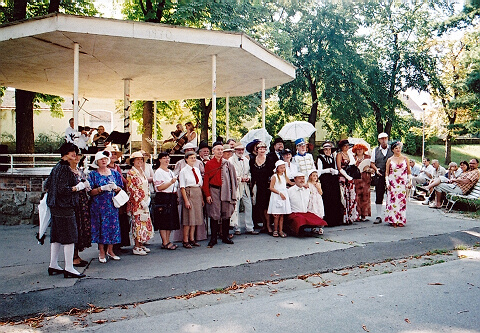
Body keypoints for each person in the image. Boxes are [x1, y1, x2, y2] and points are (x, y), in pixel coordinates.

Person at [45, 143, 86, 278]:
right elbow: (63, 190)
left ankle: (53, 264)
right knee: (70, 236)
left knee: (56, 235)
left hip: (55, 205)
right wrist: (78, 187)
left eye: (75, 151)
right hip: (64, 205)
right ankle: (69, 267)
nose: (74, 154)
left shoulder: (56, 167)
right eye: (71, 152)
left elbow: (47, 185)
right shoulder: (65, 169)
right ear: (65, 153)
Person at [88, 151, 123, 263]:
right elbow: (90, 192)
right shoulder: (93, 174)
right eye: (100, 159)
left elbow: (121, 187)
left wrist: (116, 188)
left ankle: (111, 250)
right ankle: (102, 251)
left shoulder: (114, 173)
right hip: (98, 206)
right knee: (101, 228)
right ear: (97, 161)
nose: (103, 161)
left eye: (105, 159)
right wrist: (101, 189)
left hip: (112, 205)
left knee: (113, 227)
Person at [203, 142, 238, 248]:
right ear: (213, 151)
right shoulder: (209, 164)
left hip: (226, 190)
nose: (220, 152)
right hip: (214, 190)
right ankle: (213, 238)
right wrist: (207, 195)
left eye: (221, 150)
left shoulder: (227, 164)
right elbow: (206, 181)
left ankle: (225, 236)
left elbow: (233, 179)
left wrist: (233, 193)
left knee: (226, 213)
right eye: (218, 150)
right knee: (214, 214)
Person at [126, 151, 155, 256]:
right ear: (133, 161)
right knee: (137, 224)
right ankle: (136, 246)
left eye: (141, 159)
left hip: (145, 201)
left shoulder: (142, 171)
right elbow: (132, 189)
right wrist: (141, 201)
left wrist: (148, 198)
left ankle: (141, 244)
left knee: (144, 223)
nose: (139, 161)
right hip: (137, 203)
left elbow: (146, 185)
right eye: (137, 159)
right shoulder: (131, 173)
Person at [104, 145, 130, 251]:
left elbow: (123, 181)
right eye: (112, 154)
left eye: (115, 154)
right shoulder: (105, 169)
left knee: (121, 220)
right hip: (110, 198)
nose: (114, 156)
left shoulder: (117, 167)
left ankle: (118, 244)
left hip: (120, 197)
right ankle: (109, 246)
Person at [229, 143, 258, 235]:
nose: (241, 151)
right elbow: (231, 174)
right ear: (235, 150)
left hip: (245, 185)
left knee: (248, 206)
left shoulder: (246, 159)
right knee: (236, 207)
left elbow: (249, 172)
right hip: (237, 186)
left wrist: (248, 178)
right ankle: (236, 227)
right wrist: (239, 178)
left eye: (242, 149)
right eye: (239, 150)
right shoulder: (231, 160)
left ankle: (249, 227)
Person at [286, 172, 327, 236]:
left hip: (305, 212)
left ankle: (312, 228)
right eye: (300, 178)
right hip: (294, 213)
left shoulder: (307, 189)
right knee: (300, 219)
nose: (302, 180)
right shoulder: (289, 191)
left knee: (316, 218)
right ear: (295, 179)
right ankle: (297, 230)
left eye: (303, 178)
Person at [153, 153, 180, 250]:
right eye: (164, 158)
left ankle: (168, 240)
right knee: (163, 220)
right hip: (163, 197)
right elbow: (159, 187)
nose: (166, 160)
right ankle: (164, 241)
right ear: (160, 160)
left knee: (170, 220)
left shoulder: (170, 172)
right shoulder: (159, 172)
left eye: (168, 158)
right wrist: (171, 182)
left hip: (171, 196)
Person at [69, 152, 91, 267]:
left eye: (78, 155)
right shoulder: (67, 171)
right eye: (75, 155)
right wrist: (78, 187)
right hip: (74, 202)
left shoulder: (80, 170)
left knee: (81, 227)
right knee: (75, 227)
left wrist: (86, 185)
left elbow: (86, 184)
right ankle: (73, 257)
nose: (77, 157)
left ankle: (76, 255)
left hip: (82, 201)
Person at [179, 151, 204, 248]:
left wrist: (201, 198)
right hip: (189, 193)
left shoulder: (197, 169)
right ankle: (185, 240)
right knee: (188, 218)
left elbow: (200, 184)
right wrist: (186, 200)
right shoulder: (183, 171)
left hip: (197, 192)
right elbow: (182, 187)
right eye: (191, 158)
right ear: (186, 159)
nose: (193, 159)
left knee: (195, 218)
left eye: (194, 157)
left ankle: (192, 238)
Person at [384, 141, 412, 227]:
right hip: (393, 182)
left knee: (401, 201)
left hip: (402, 182)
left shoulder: (405, 159)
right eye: (396, 148)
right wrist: (387, 183)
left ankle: (400, 219)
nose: (398, 150)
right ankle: (392, 219)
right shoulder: (390, 160)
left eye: (399, 148)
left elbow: (409, 172)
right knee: (393, 201)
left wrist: (410, 181)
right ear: (392, 150)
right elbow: (387, 173)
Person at [317, 141, 343, 227]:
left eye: (329, 150)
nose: (328, 151)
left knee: (335, 199)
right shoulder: (320, 158)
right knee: (327, 199)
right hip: (325, 181)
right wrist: (328, 170)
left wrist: (334, 171)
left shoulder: (333, 158)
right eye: (326, 150)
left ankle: (335, 220)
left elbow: (336, 169)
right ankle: (327, 220)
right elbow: (319, 172)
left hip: (333, 181)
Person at [249, 141, 273, 233]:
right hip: (257, 185)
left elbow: (272, 172)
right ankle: (263, 225)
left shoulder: (269, 159)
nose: (262, 150)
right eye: (260, 148)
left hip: (266, 185)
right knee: (259, 207)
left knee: (266, 207)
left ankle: (268, 226)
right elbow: (251, 172)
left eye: (264, 148)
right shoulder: (252, 160)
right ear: (257, 150)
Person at [370, 132, 393, 224]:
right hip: (379, 175)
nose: (384, 141)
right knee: (379, 194)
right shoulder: (375, 150)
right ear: (379, 140)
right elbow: (372, 162)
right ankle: (379, 215)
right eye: (382, 139)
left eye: (385, 138)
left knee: (391, 195)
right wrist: (376, 169)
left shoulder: (392, 149)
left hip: (391, 175)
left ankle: (391, 214)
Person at [267, 160, 293, 237]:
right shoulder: (274, 177)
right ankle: (275, 230)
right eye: (281, 168)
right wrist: (279, 193)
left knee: (282, 215)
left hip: (283, 196)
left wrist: (301, 182)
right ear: (277, 168)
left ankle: (280, 230)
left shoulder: (284, 176)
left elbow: (291, 183)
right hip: (277, 196)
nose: (283, 169)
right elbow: (271, 188)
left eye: (284, 168)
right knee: (276, 215)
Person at [336, 139, 358, 224]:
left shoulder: (349, 155)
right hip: (343, 177)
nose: (347, 147)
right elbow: (339, 167)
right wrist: (347, 176)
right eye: (345, 146)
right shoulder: (339, 154)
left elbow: (352, 165)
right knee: (344, 197)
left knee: (351, 196)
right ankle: (344, 217)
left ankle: (350, 216)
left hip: (350, 177)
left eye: (348, 145)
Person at [352, 143, 373, 222]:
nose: (360, 151)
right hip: (356, 179)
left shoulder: (368, 158)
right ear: (355, 151)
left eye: (361, 149)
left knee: (365, 197)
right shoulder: (353, 158)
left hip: (366, 179)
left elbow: (373, 168)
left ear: (364, 150)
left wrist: (369, 170)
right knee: (356, 197)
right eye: (358, 149)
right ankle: (356, 214)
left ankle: (364, 215)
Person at [306, 169, 325, 235]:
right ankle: (313, 227)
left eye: (316, 176)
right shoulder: (308, 184)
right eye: (313, 176)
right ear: (310, 176)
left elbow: (321, 193)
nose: (315, 177)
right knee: (312, 211)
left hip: (317, 199)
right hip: (311, 199)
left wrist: (318, 187)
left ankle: (320, 227)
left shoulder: (318, 184)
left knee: (319, 211)